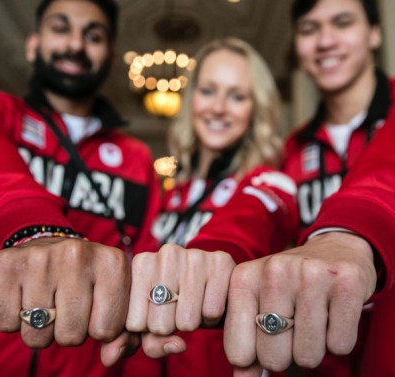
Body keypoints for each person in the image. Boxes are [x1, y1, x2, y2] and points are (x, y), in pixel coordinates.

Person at [223, 0, 395, 376]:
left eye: (342, 22)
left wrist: (344, 234)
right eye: (309, 29)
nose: (325, 40)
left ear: (374, 33)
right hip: (326, 363)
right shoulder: (293, 149)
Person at [0, 0, 160, 376]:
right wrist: (36, 233)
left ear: (111, 58)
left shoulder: (136, 159)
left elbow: (146, 268)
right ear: (33, 44)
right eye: (61, 28)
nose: (75, 45)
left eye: (93, 36)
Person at [101, 37, 300, 377]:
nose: (219, 107)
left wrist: (211, 254)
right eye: (208, 91)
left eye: (237, 96)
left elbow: (245, 226)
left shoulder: (270, 182)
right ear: (192, 99)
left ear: (256, 109)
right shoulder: (168, 191)